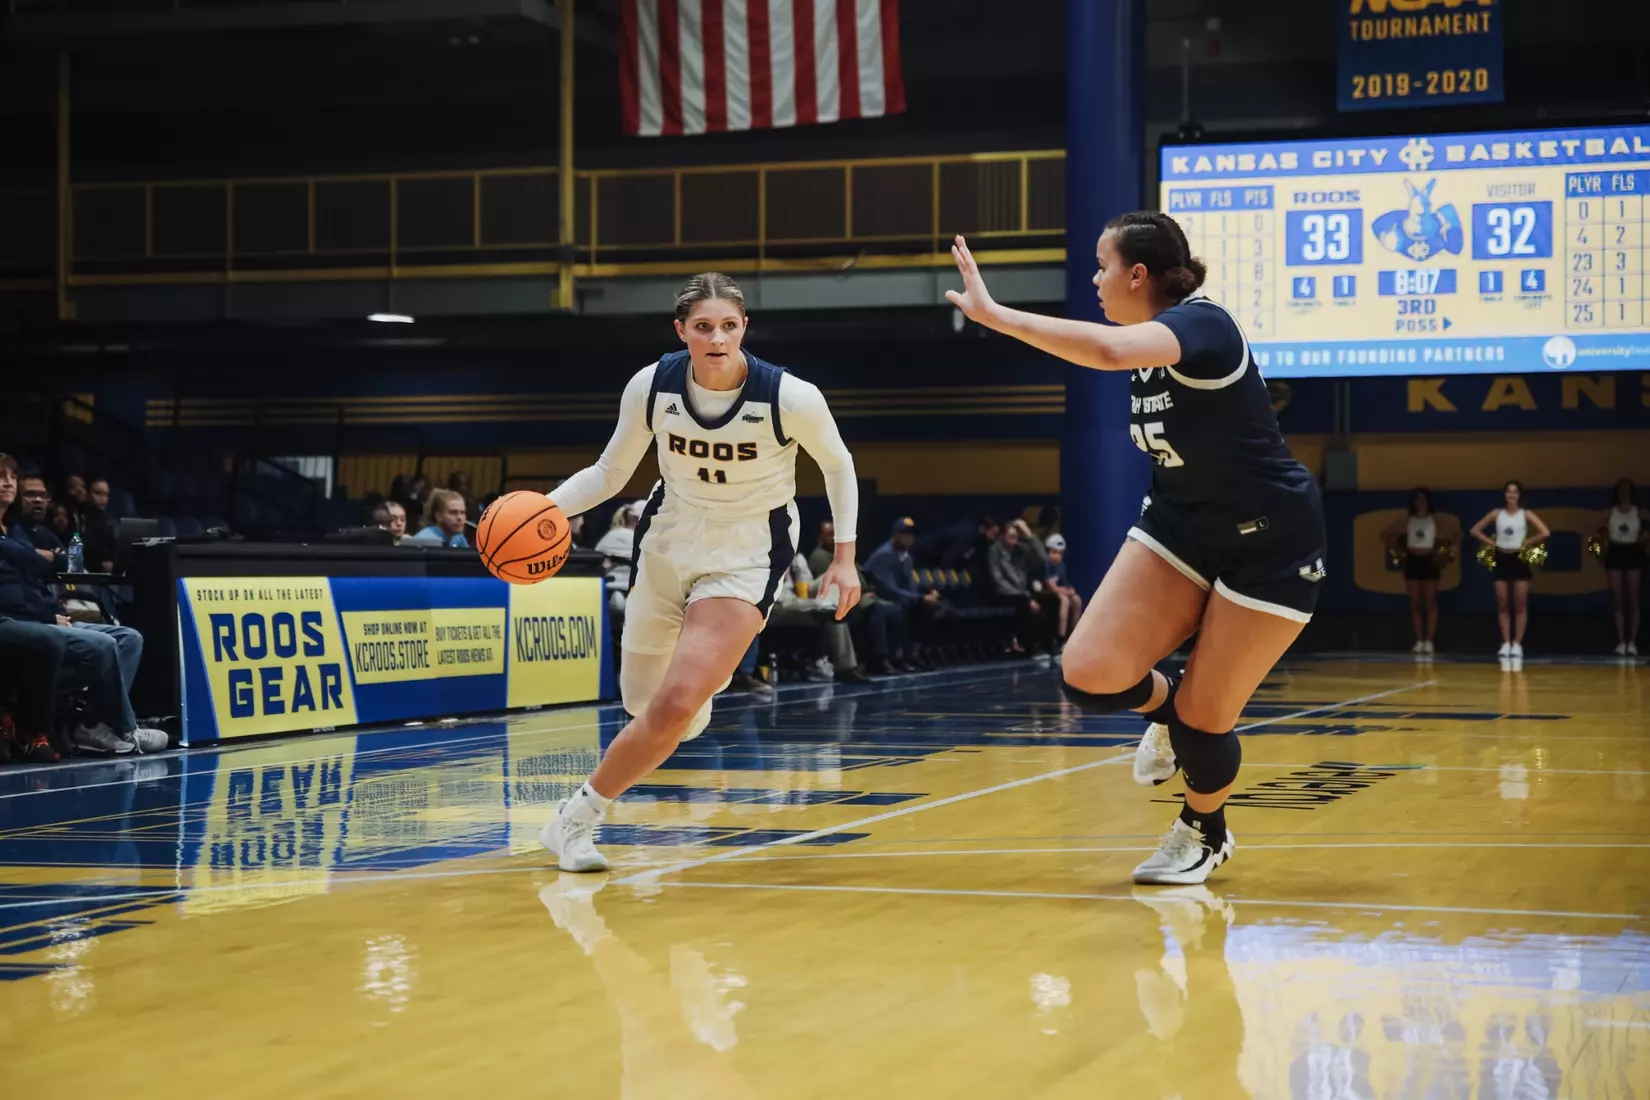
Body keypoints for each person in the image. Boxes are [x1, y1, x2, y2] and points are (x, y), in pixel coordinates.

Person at [947, 216, 1327, 886]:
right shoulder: (1149, 351)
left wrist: (997, 316)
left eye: (1101, 265)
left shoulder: (1205, 325)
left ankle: (1203, 830)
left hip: (1271, 540)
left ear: (1139, 274)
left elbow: (1110, 353)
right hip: (1183, 525)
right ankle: (1166, 708)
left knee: (1206, 724)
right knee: (1088, 670)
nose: (1094, 279)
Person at [536, 271, 862, 872]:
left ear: (744, 329)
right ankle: (682, 706)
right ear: (681, 330)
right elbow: (610, 475)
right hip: (667, 539)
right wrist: (543, 509)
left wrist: (843, 557)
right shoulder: (652, 385)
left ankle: (573, 821)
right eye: (704, 326)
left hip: (747, 550)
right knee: (645, 704)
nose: (717, 338)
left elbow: (838, 467)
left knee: (677, 701)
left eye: (729, 326)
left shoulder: (788, 396)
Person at [0, 454, 166, 754]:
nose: (7, 484)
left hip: (45, 616)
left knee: (129, 638)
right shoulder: (14, 540)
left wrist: (56, 610)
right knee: (102, 645)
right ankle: (126, 728)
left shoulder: (16, 530)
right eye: (1, 477)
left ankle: (92, 725)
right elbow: (9, 594)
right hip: (18, 622)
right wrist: (49, 615)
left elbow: (36, 583)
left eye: (12, 478)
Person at [1469, 481, 1550, 660]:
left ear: (1519, 495)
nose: (1511, 495)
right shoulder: (1497, 513)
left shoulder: (1525, 513)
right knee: (1503, 603)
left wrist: (1528, 542)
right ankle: (1505, 642)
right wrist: (1492, 543)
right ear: (1505, 495)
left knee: (1520, 604)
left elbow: (1545, 532)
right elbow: (1475, 530)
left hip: (1519, 559)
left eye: (1515, 492)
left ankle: (1517, 644)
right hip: (1501, 558)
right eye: (1508, 492)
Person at [1380, 487, 1458, 655]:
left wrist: (1448, 551)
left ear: (1428, 501)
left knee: (1429, 601)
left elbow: (1456, 535)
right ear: (1414, 502)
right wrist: (1399, 549)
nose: (1421, 502)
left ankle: (1429, 640)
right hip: (1413, 560)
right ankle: (1419, 640)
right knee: (1415, 602)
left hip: (1429, 560)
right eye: (1418, 499)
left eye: (1423, 498)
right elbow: (1386, 534)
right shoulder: (1407, 520)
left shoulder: (1436, 520)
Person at [987, 518, 1054, 655]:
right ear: (1002, 536)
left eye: (1017, 537)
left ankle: (1048, 646)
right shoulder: (994, 551)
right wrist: (1024, 595)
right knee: (1025, 603)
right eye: (1011, 537)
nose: (1014, 540)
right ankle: (1026, 647)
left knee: (1052, 601)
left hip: (1023, 592)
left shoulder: (1021, 549)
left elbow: (1043, 558)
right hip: (1003, 593)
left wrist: (1028, 533)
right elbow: (998, 579)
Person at [1600, 478, 1648, 656]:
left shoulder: (1639, 512)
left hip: (1633, 552)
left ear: (1632, 492)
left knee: (1633, 599)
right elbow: (1594, 535)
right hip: (1615, 553)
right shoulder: (1609, 513)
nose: (1624, 493)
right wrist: (1600, 549)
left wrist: (1646, 538)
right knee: (1618, 599)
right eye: (1621, 489)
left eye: (1627, 490)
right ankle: (1621, 641)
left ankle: (1632, 642)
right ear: (1616, 492)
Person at [1041, 534, 1083, 646]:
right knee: (1064, 600)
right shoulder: (1046, 565)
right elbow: (1050, 585)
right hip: (1043, 592)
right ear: (1047, 552)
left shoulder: (1061, 566)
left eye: (1060, 553)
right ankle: (1061, 637)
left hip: (1059, 591)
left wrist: (1070, 589)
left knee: (1077, 600)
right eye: (1054, 552)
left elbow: (1064, 583)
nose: (1057, 556)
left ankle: (1075, 635)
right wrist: (1065, 591)